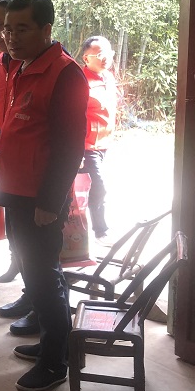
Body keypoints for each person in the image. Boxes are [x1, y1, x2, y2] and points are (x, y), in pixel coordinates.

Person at [0, 0, 88, 391]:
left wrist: (49, 202)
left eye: (21, 29)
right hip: (15, 189)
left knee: (44, 277)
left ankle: (56, 361)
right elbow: (21, 123)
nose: (10, 37)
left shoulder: (65, 74)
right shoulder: (21, 67)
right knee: (33, 272)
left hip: (39, 198)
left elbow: (70, 147)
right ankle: (51, 340)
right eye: (7, 29)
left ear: (46, 29)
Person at [0, 0, 37, 332]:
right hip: (5, 158)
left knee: (36, 244)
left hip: (30, 169)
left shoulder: (31, 64)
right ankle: (29, 294)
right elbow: (0, 114)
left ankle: (41, 305)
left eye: (0, 26)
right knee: (15, 232)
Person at [80, 35, 120, 246]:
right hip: (87, 145)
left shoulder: (109, 78)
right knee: (99, 186)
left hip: (105, 143)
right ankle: (100, 231)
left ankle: (89, 230)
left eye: (108, 53)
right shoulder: (79, 81)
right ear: (86, 58)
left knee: (96, 186)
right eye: (99, 54)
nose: (105, 58)